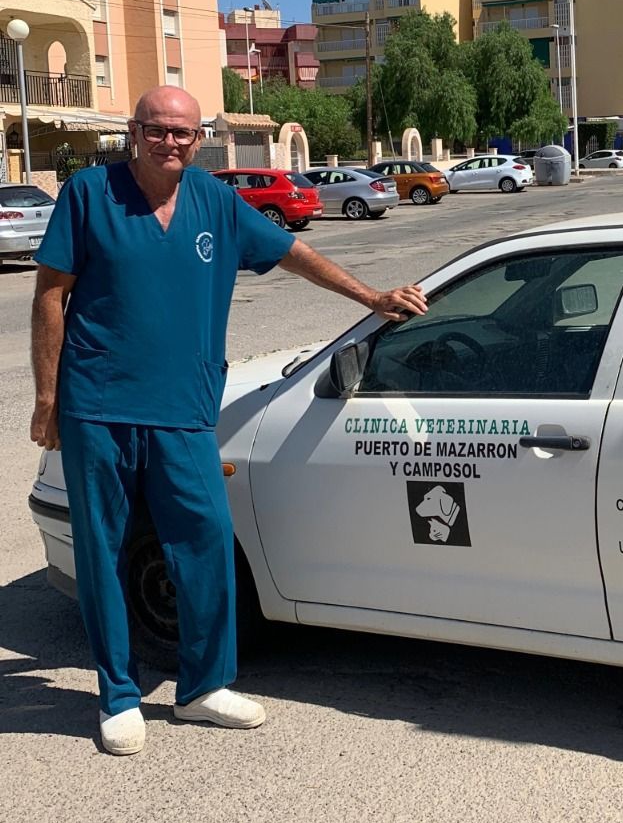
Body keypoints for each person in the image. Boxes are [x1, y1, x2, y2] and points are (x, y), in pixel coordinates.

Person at [29, 86, 427, 755]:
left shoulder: (215, 200)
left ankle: (203, 687)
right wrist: (47, 398)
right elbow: (49, 294)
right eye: (158, 131)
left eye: (183, 133)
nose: (171, 143)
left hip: (185, 409)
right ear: (135, 131)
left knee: (207, 539)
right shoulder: (89, 194)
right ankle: (118, 694)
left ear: (198, 137)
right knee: (102, 550)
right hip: (98, 404)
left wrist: (371, 296)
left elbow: (292, 254)